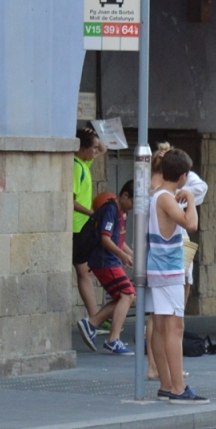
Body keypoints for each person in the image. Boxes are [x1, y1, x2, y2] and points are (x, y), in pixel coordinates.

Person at [148, 148, 207, 404]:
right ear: (183, 176)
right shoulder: (166, 198)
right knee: (175, 328)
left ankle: (166, 384)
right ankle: (178, 388)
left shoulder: (157, 194)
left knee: (161, 328)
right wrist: (191, 200)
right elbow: (190, 224)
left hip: (158, 267)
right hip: (169, 269)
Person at [77, 181, 137, 355]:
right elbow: (105, 238)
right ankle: (113, 340)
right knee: (128, 294)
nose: (134, 207)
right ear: (125, 195)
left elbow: (118, 240)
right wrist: (122, 255)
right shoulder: (110, 210)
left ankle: (92, 323)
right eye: (133, 202)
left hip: (109, 260)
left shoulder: (121, 212)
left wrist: (131, 254)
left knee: (127, 297)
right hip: (104, 260)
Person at [72, 127, 106, 326]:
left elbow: (103, 150)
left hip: (84, 225)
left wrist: (95, 135)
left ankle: (96, 316)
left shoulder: (84, 162)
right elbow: (71, 200)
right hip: (78, 225)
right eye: (91, 147)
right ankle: (95, 317)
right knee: (83, 271)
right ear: (82, 148)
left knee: (86, 271)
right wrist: (91, 213)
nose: (95, 151)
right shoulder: (76, 166)